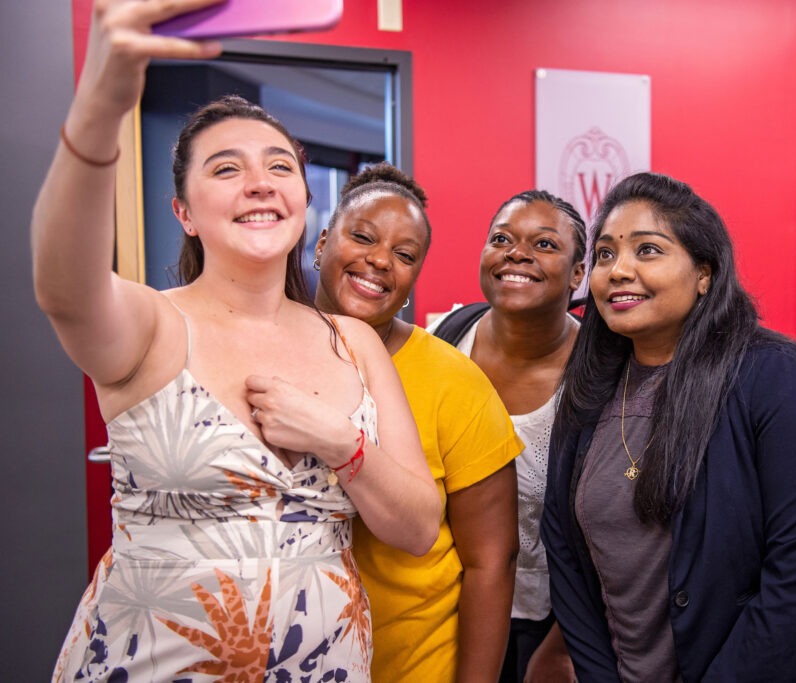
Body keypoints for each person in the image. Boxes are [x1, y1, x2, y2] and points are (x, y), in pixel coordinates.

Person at [34, 3, 439, 680]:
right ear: (184, 212)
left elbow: (418, 525)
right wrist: (102, 103)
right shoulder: (151, 325)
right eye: (225, 169)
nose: (259, 182)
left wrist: (341, 443)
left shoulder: (351, 343)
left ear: (304, 198)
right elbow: (63, 286)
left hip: (325, 665)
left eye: (279, 167)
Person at [541, 172, 796, 681]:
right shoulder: (590, 387)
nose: (618, 270)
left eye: (648, 250)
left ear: (704, 273)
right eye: (606, 255)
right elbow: (565, 554)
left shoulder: (777, 377)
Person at [312, 163, 523, 681]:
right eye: (362, 237)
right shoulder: (263, 346)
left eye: (404, 256)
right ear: (321, 243)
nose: (380, 260)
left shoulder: (454, 381)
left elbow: (491, 563)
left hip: (411, 664)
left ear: (412, 279)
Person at [429, 189, 585, 683]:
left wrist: (564, 646)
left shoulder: (604, 372)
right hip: (451, 607)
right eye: (502, 239)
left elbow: (622, 529)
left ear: (579, 274)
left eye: (544, 244)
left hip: (557, 621)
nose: (518, 253)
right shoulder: (447, 340)